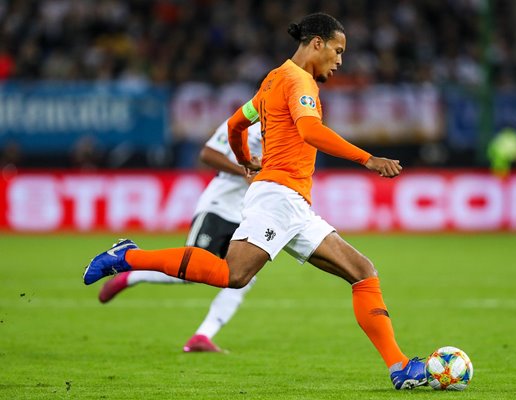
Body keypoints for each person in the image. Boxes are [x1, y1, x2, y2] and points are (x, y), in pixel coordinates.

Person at [83, 13, 425, 390]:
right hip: (277, 198)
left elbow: (235, 125)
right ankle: (127, 257)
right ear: (317, 43)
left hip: (292, 202)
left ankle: (400, 367)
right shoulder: (299, 82)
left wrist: (244, 158)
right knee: (233, 275)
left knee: (363, 271)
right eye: (338, 50)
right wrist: (368, 159)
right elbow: (310, 130)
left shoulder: (272, 80)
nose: (340, 60)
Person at [97, 119, 263, 353]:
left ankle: (202, 336)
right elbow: (207, 155)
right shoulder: (242, 124)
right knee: (191, 271)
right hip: (218, 207)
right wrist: (245, 170)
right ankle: (133, 273)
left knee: (244, 277)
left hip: (247, 213)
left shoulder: (285, 131)